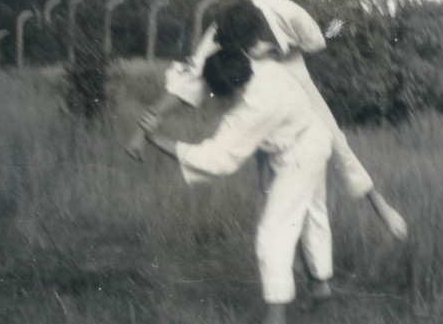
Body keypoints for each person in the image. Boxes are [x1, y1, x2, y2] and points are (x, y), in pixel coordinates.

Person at [128, 0, 408, 241]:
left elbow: (317, 41)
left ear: (258, 30)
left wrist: (282, 62)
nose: (247, 51)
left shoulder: (290, 14)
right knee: (266, 160)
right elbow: (184, 84)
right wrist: (140, 133)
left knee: (334, 135)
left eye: (248, 46)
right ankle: (289, 249)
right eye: (241, 49)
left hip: (290, 58)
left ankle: (380, 205)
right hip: (255, 73)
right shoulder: (219, 35)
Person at [141, 47, 334, 324]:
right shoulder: (268, 67)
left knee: (273, 234)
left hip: (299, 157)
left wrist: (157, 139)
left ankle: (276, 319)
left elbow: (216, 160)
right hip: (314, 134)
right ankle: (320, 286)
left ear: (225, 92)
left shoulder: (248, 112)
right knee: (312, 215)